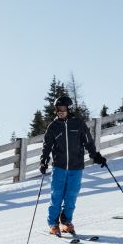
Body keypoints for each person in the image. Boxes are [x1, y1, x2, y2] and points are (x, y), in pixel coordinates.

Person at [39, 95, 106, 236]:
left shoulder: (78, 124)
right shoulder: (53, 127)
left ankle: (66, 222)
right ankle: (53, 223)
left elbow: (88, 142)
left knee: (71, 196)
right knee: (56, 195)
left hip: (76, 167)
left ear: (68, 108)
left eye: (63, 108)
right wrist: (43, 161)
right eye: (58, 109)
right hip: (59, 167)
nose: (60, 111)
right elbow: (47, 146)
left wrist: (96, 156)